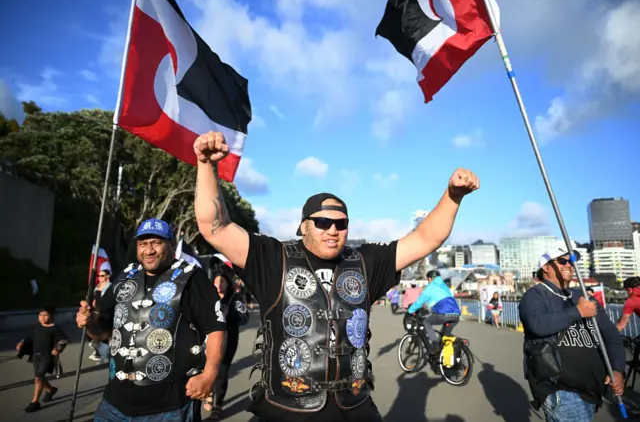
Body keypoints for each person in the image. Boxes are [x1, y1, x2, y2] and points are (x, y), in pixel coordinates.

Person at [192, 131, 479, 422]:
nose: (332, 229)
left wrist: (453, 196)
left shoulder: (366, 261)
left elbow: (424, 239)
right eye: (323, 222)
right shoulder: (272, 258)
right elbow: (215, 227)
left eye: (341, 224)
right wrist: (206, 165)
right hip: (286, 410)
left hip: (353, 409)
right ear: (303, 226)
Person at [75, 218, 227, 422]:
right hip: (114, 404)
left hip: (169, 407)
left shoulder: (192, 278)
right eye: (143, 244)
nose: (149, 250)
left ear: (170, 245)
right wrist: (90, 321)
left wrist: (209, 375)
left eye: (156, 242)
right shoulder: (125, 277)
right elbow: (104, 332)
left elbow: (216, 329)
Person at [519, 247, 625, 422]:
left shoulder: (583, 296)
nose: (570, 265)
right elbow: (537, 325)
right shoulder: (535, 295)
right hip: (559, 388)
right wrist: (577, 311)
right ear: (546, 266)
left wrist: (617, 369)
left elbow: (611, 336)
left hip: (592, 390)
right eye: (563, 261)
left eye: (572, 260)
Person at [202, 255, 250, 420]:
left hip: (229, 340)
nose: (219, 285)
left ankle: (218, 405)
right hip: (208, 340)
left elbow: (245, 317)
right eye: (216, 282)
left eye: (222, 281)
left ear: (228, 283)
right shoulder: (206, 298)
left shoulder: (234, 299)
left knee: (222, 370)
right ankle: (208, 393)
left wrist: (230, 316)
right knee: (206, 368)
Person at [16, 305, 69, 413]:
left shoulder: (55, 328)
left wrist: (57, 348)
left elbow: (64, 340)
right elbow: (29, 337)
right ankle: (50, 389)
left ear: (52, 316)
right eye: (40, 315)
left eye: (45, 315)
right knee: (39, 377)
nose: (42, 317)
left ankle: (35, 402)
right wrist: (21, 343)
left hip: (47, 356)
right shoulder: (37, 327)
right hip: (36, 355)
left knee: (38, 377)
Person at [406, 270, 461, 351]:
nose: (428, 282)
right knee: (444, 337)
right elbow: (435, 300)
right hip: (456, 315)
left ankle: (434, 346)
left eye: (428, 280)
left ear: (430, 278)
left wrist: (410, 311)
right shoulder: (444, 286)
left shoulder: (431, 287)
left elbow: (419, 302)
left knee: (426, 322)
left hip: (443, 313)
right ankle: (444, 358)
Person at [89, 265, 113, 363]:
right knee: (93, 332)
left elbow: (111, 301)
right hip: (96, 313)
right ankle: (98, 351)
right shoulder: (96, 287)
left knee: (106, 335)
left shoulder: (111, 287)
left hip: (107, 313)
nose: (100, 278)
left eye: (102, 275)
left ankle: (105, 353)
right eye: (99, 276)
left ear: (107, 276)